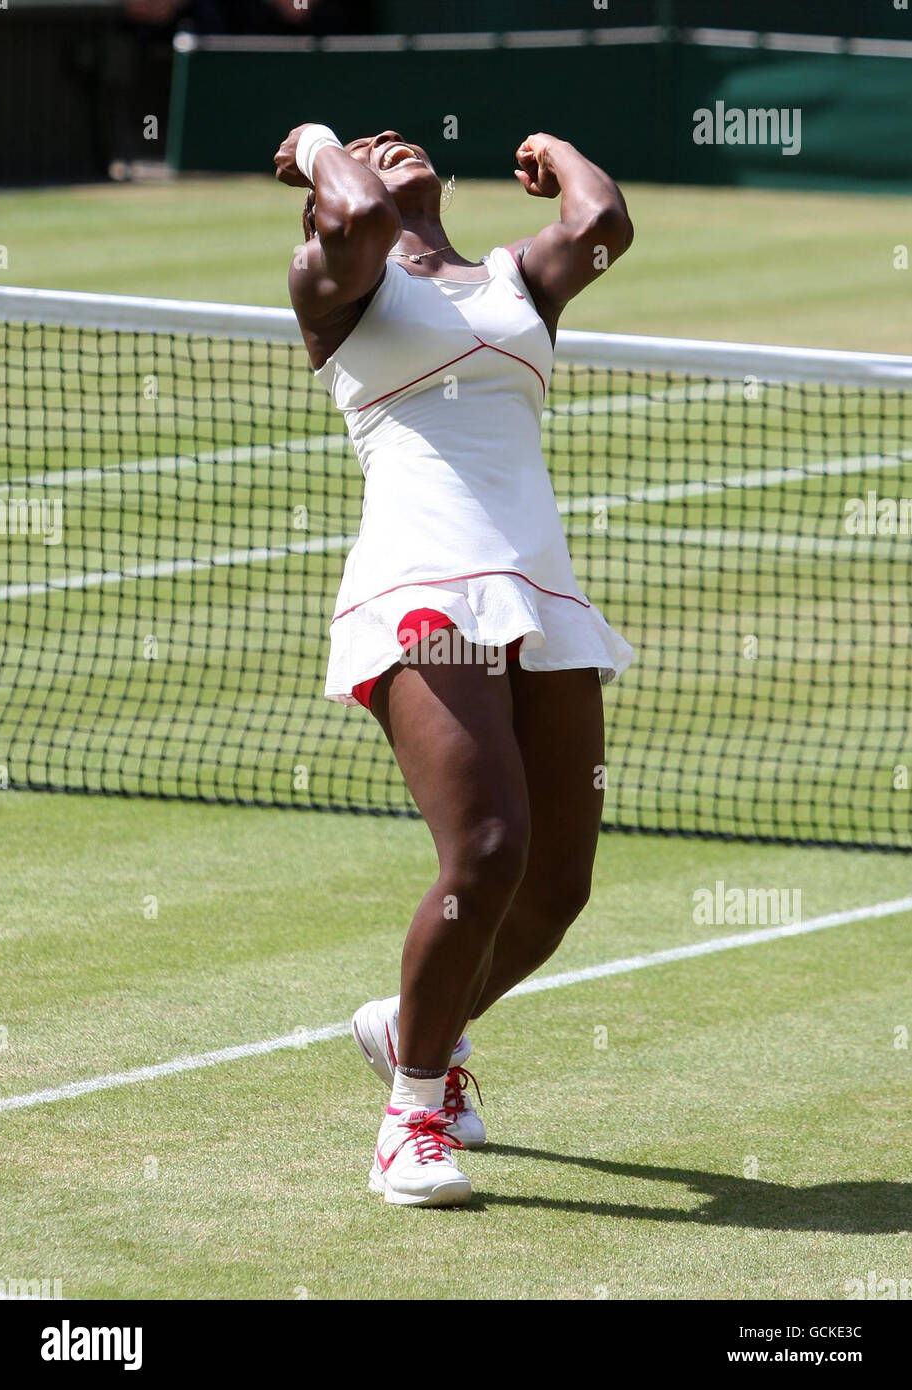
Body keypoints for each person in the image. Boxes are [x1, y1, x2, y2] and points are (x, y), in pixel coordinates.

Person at [275, 122, 634, 1206]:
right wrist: (316, 140)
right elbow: (358, 216)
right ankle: (412, 1117)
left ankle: (406, 1027)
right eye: (367, 147)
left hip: (537, 588)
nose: (390, 145)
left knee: (555, 887)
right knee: (486, 846)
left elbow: (603, 224)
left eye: (401, 140)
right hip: (422, 583)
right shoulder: (338, 277)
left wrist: (557, 149)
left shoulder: (517, 278)